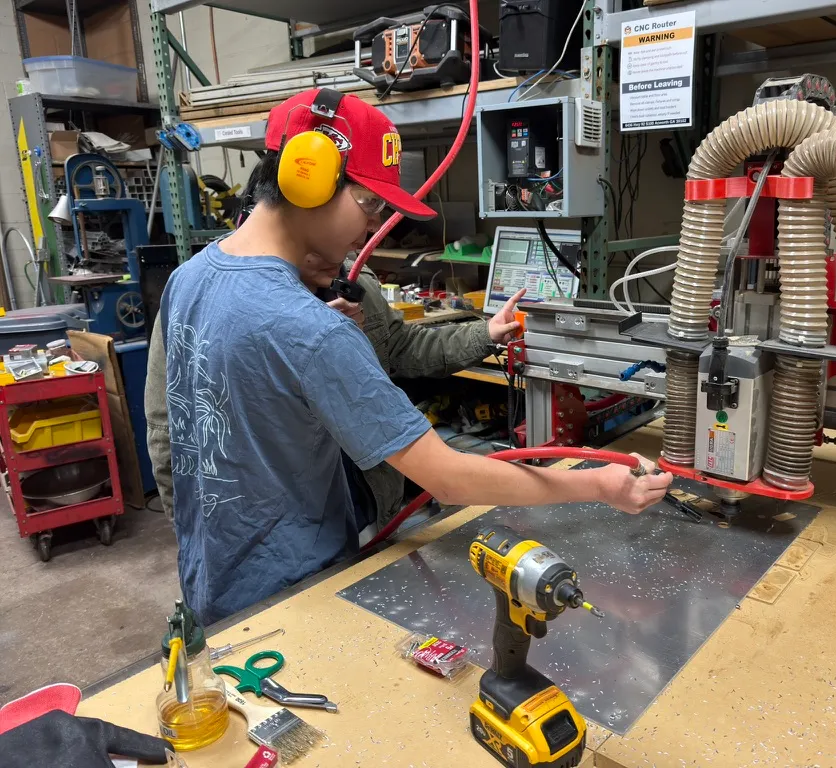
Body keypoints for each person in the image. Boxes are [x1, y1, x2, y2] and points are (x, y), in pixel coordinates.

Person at [157, 88, 671, 624]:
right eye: (371, 204)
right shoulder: (311, 329)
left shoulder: (188, 278)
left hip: (210, 580)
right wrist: (596, 485)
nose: (372, 228)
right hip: (292, 598)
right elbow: (446, 478)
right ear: (308, 178)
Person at [145, 260, 525, 539]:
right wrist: (189, 532)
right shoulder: (205, 292)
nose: (371, 228)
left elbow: (401, 347)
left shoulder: (354, 274)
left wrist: (485, 334)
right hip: (281, 528)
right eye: (364, 205)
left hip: (366, 504)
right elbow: (169, 427)